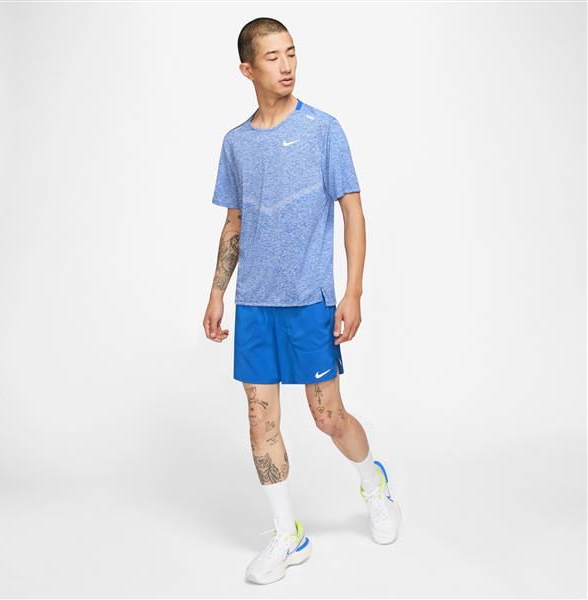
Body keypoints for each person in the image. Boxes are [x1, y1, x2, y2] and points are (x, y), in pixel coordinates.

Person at [203, 17, 402, 585]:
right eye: (272, 57)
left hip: (310, 301)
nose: (287, 65)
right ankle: (287, 535)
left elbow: (353, 212)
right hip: (254, 305)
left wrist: (353, 290)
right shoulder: (236, 143)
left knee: (328, 417)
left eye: (291, 52)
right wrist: (216, 292)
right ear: (247, 69)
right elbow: (234, 223)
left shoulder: (323, 130)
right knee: (259, 423)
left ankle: (374, 485)